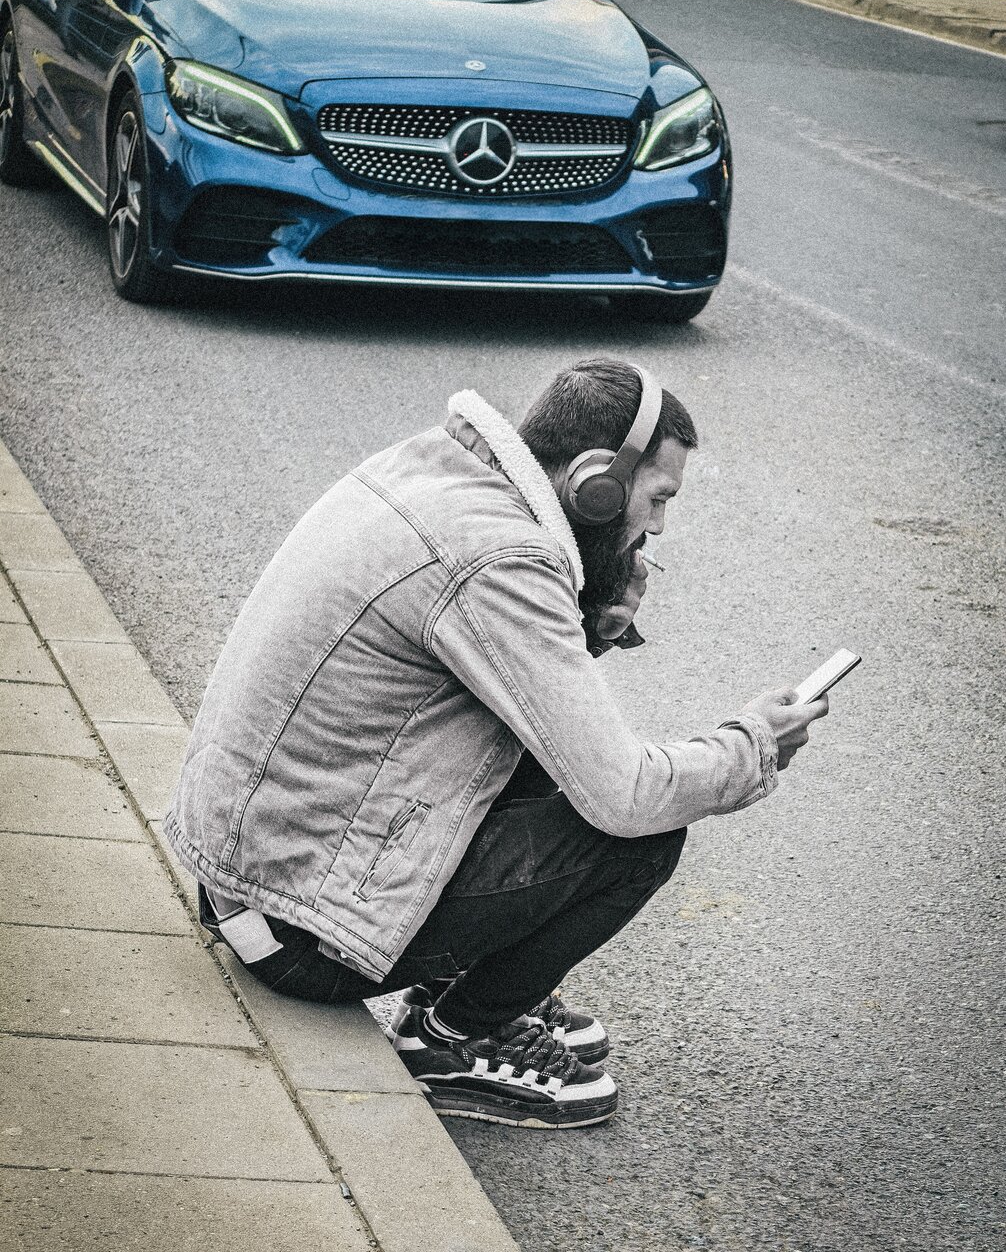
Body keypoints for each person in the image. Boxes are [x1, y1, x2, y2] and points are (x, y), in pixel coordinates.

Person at [164, 358, 828, 1130]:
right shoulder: (501, 559)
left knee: (555, 751)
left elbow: (517, 704)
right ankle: (452, 1041)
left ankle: (459, 987)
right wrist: (753, 747)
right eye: (657, 498)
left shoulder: (437, 473)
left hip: (250, 878)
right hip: (299, 937)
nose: (657, 527)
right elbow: (624, 793)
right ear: (596, 483)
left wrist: (589, 623)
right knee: (642, 840)